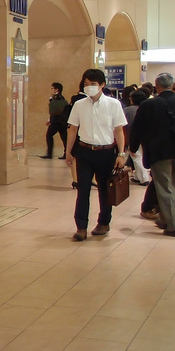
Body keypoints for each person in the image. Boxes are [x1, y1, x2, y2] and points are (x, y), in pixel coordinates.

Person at [65, 68, 127, 240]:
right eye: (86, 84)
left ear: (102, 85)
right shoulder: (79, 105)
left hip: (106, 153)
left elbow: (119, 130)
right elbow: (72, 130)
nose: (89, 87)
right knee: (83, 189)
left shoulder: (113, 104)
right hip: (84, 152)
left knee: (105, 190)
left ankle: (104, 222)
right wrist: (68, 152)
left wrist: (121, 153)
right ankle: (81, 227)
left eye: (93, 84)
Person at [129, 72, 175, 237]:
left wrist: (132, 147)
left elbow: (137, 128)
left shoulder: (149, 105)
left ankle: (173, 226)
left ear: (157, 86)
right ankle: (165, 218)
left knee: (164, 187)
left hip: (160, 151)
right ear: (172, 85)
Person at [125, 90, 150, 185]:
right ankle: (137, 176)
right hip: (146, 136)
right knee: (139, 156)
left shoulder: (128, 110)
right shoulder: (147, 108)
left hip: (133, 136)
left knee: (136, 156)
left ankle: (144, 178)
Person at [40, 82, 69, 159]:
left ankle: (50, 154)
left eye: (53, 88)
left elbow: (53, 110)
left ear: (57, 89)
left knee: (49, 135)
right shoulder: (62, 99)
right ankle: (66, 153)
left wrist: (50, 119)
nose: (52, 90)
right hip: (62, 122)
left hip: (56, 121)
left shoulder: (55, 98)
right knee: (64, 138)